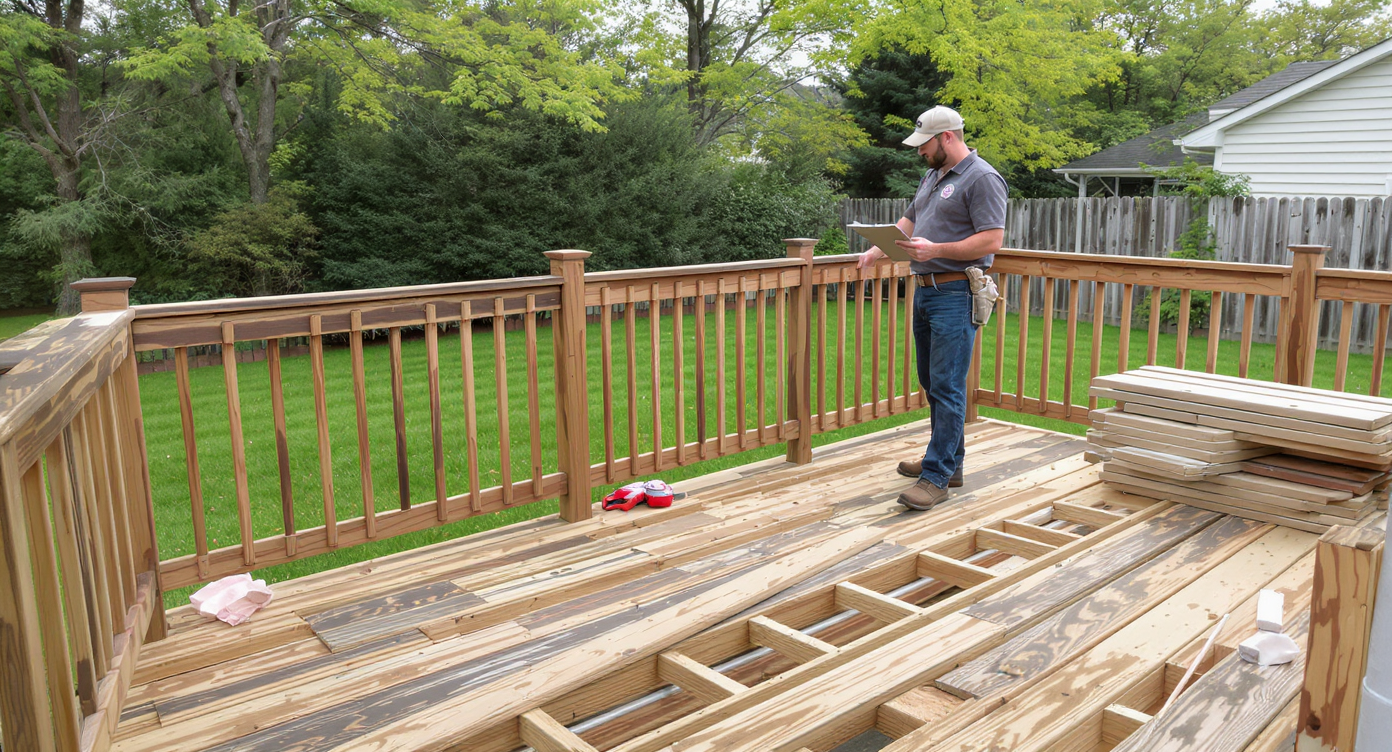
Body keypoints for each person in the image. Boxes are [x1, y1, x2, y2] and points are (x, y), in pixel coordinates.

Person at [858, 105, 1007, 511]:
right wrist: (876, 248)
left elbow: (991, 240)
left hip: (956, 294)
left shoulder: (983, 178)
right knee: (931, 380)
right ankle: (948, 463)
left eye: (924, 144)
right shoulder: (933, 175)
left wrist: (937, 249)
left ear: (946, 137)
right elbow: (910, 219)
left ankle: (936, 476)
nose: (919, 151)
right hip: (924, 290)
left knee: (947, 385)